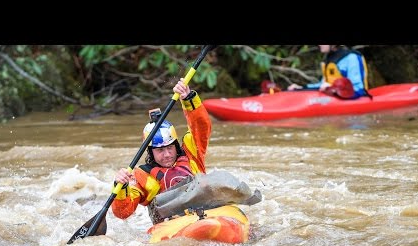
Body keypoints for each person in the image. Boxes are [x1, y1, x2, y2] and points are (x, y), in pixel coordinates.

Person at [111, 78, 261, 225]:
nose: (167, 154)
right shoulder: (141, 176)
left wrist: (188, 99)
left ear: (175, 145)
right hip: (172, 223)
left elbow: (201, 127)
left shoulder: (191, 155)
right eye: (161, 150)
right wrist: (121, 187)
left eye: (170, 147)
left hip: (208, 211)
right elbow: (123, 212)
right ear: (150, 152)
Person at [287, 45, 371, 99]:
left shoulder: (351, 58)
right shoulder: (330, 59)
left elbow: (358, 89)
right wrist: (302, 88)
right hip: (334, 95)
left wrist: (333, 89)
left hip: (356, 98)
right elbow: (323, 84)